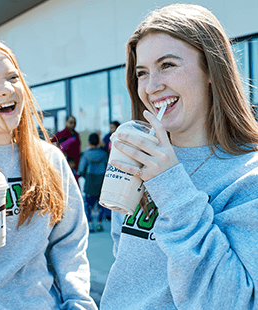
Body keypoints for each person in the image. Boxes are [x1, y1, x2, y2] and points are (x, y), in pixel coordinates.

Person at [100, 3, 258, 309]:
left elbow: (234, 301)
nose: (152, 86)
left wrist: (170, 186)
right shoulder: (139, 159)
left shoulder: (247, 177)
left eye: (168, 65)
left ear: (212, 69)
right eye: (142, 73)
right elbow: (126, 259)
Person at [0, 36, 97, 310]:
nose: (5, 89)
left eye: (12, 77)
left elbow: (69, 244)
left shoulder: (49, 158)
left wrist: (78, 302)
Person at [78, 133, 108, 232]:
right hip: (102, 181)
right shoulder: (104, 154)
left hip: (90, 180)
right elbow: (108, 167)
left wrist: (85, 175)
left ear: (89, 142)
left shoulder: (85, 155)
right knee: (101, 205)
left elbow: (81, 169)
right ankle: (99, 223)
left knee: (88, 204)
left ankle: (90, 224)